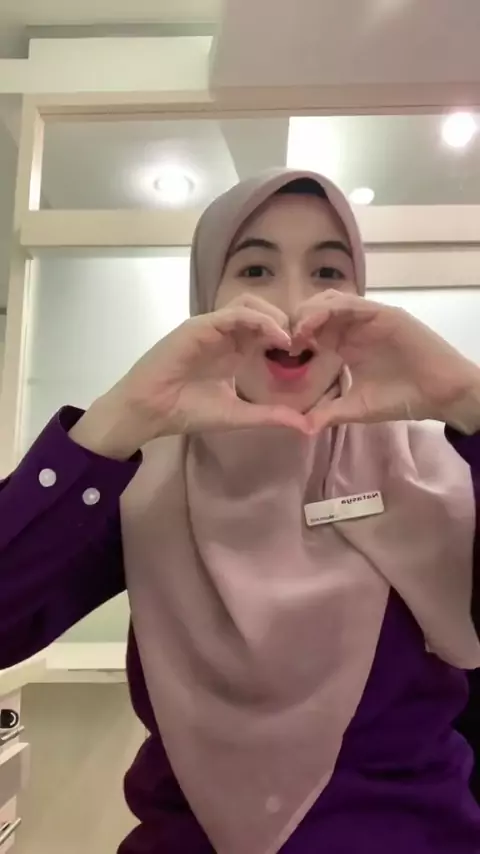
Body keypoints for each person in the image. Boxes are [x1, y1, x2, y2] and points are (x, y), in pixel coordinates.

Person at [2, 169, 480, 854]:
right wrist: (117, 421)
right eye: (255, 270)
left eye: (327, 272)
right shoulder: (147, 482)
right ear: (207, 298)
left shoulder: (437, 474)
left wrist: (467, 397)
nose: (292, 306)